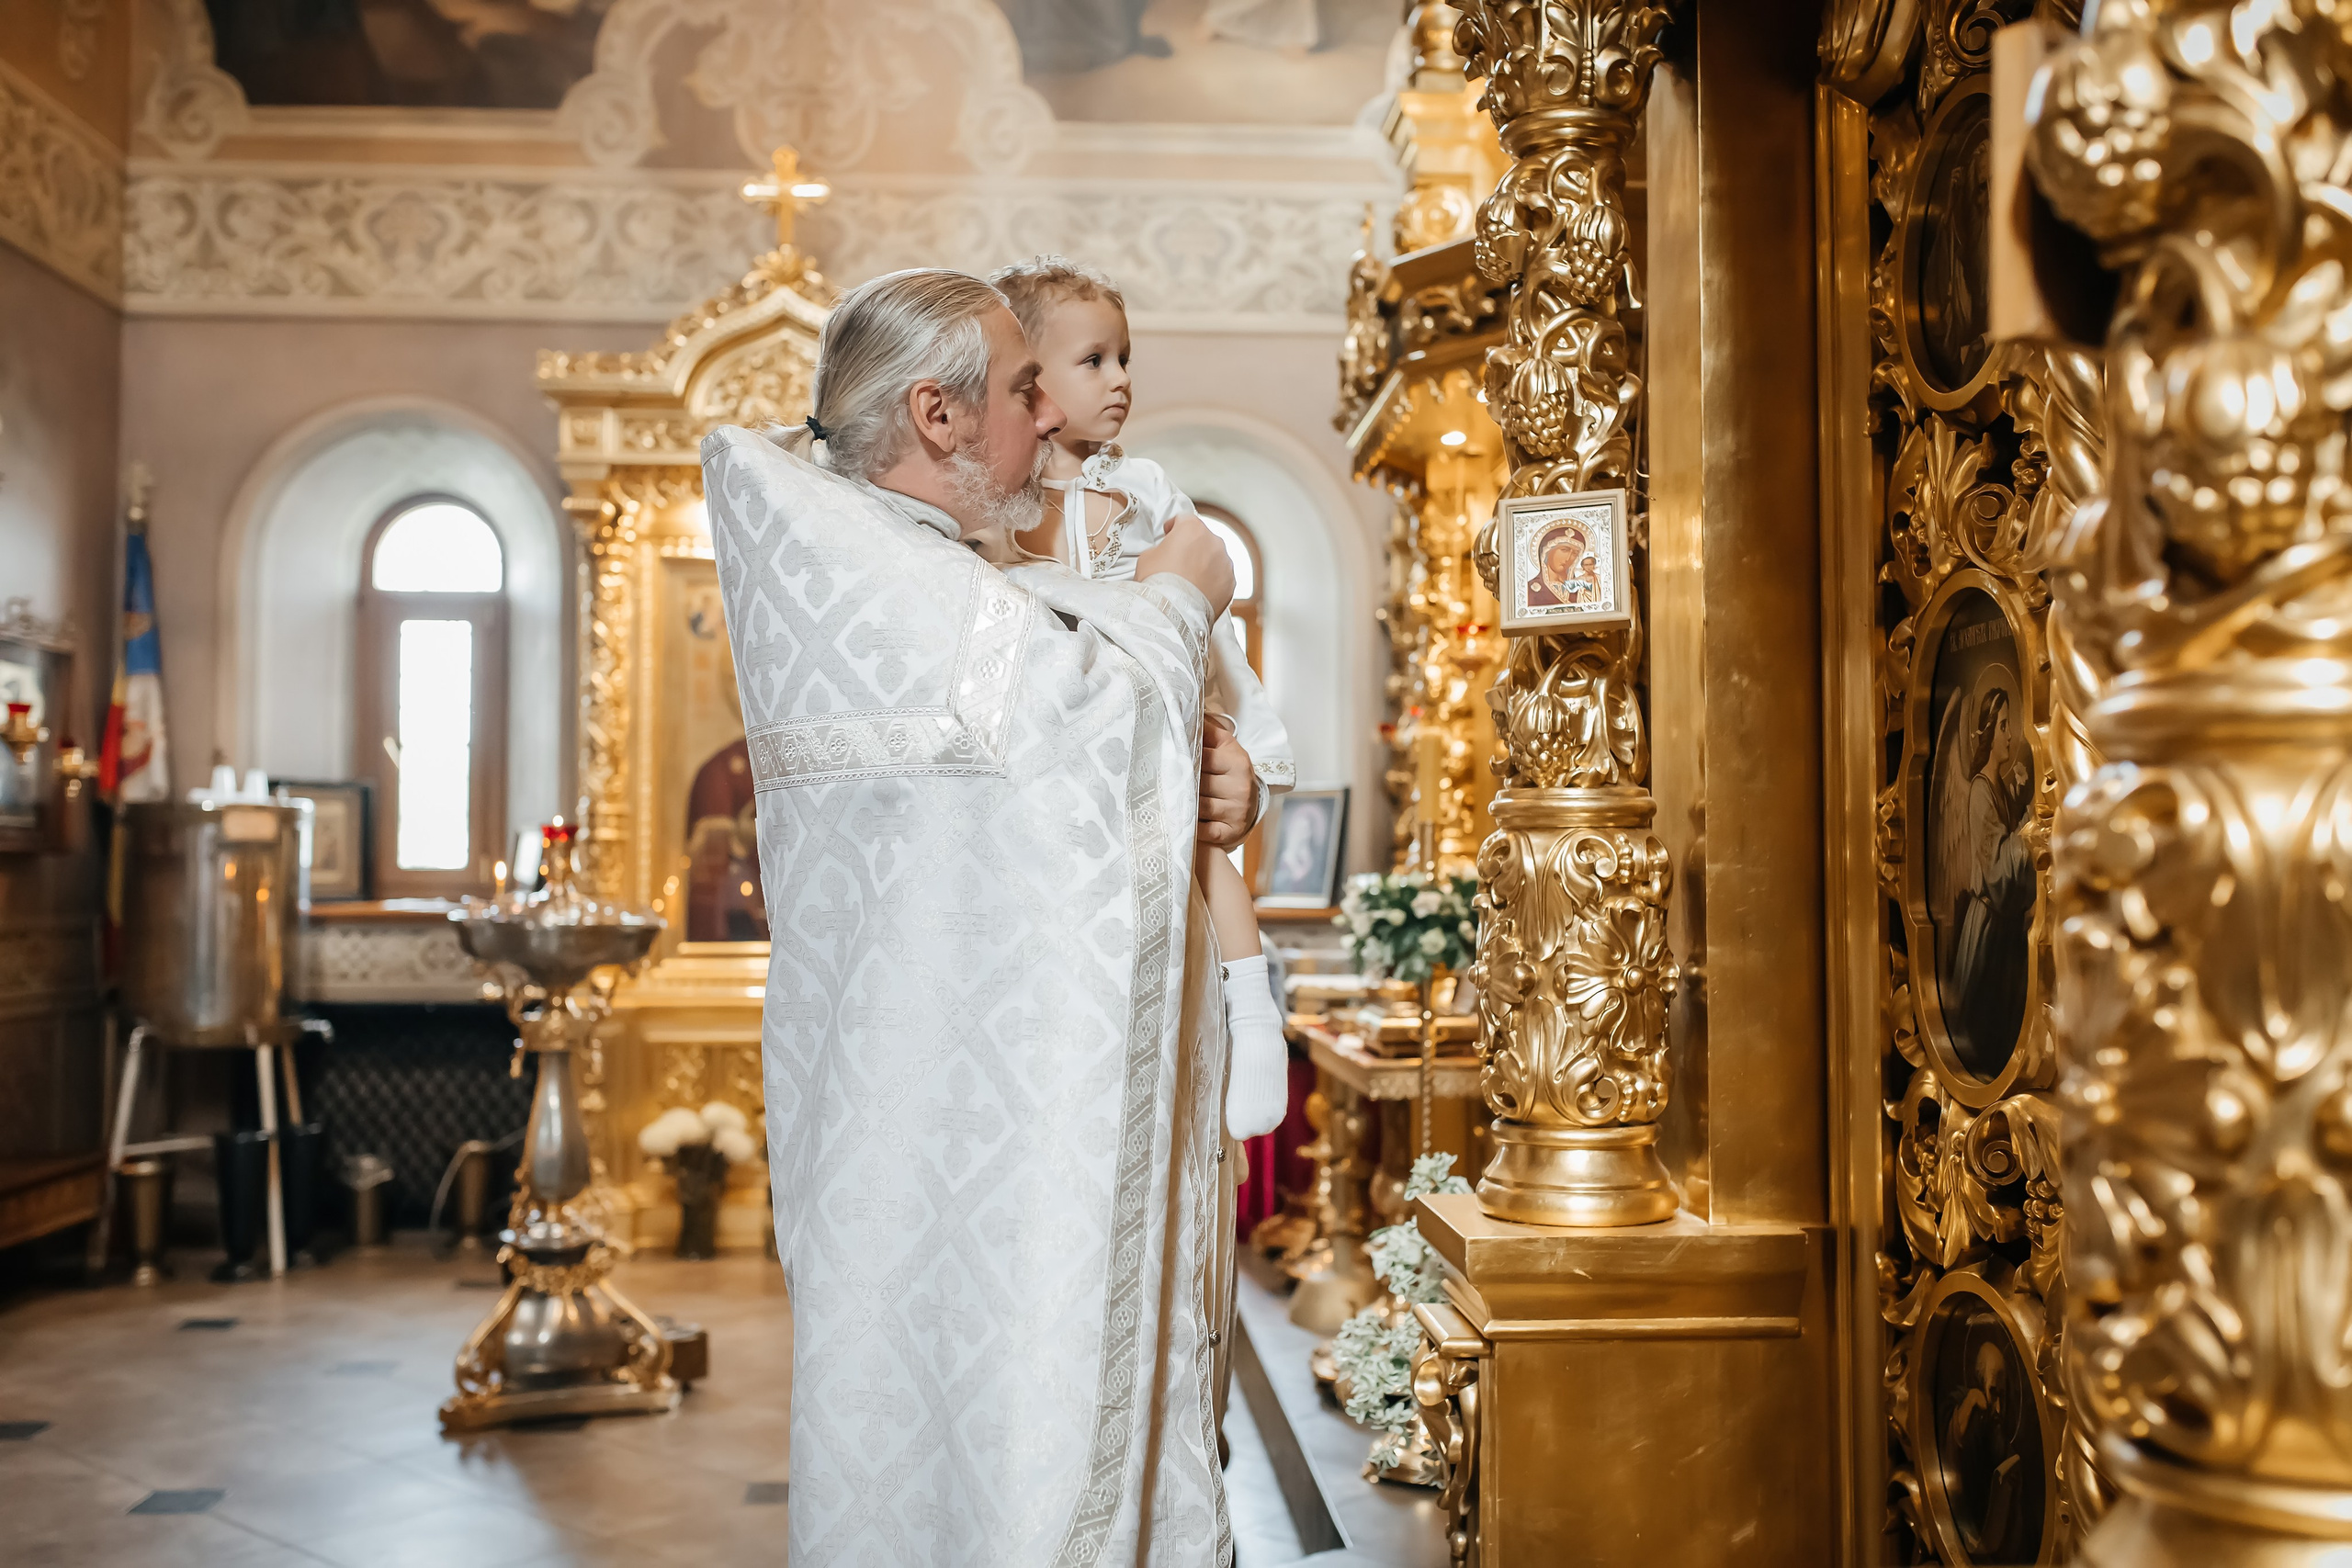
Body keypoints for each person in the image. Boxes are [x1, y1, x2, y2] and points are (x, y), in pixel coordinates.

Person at [700, 267, 1256, 1566]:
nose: (1048, 420)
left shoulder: (901, 565)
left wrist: (1226, 771)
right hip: (955, 1152)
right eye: (1021, 392)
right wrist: (1182, 591)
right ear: (938, 415)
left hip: (955, 1133)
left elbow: (1088, 728)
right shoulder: (890, 583)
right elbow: (1087, 740)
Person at [989, 255, 1293, 1148]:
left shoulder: (1145, 490)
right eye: (1094, 361)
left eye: (1124, 359)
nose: (1120, 380)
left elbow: (1211, 617)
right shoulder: (999, 507)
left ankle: (1253, 1017)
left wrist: (1237, 755)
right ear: (1027, 381)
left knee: (1204, 860)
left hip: (1162, 726)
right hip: (1061, 794)